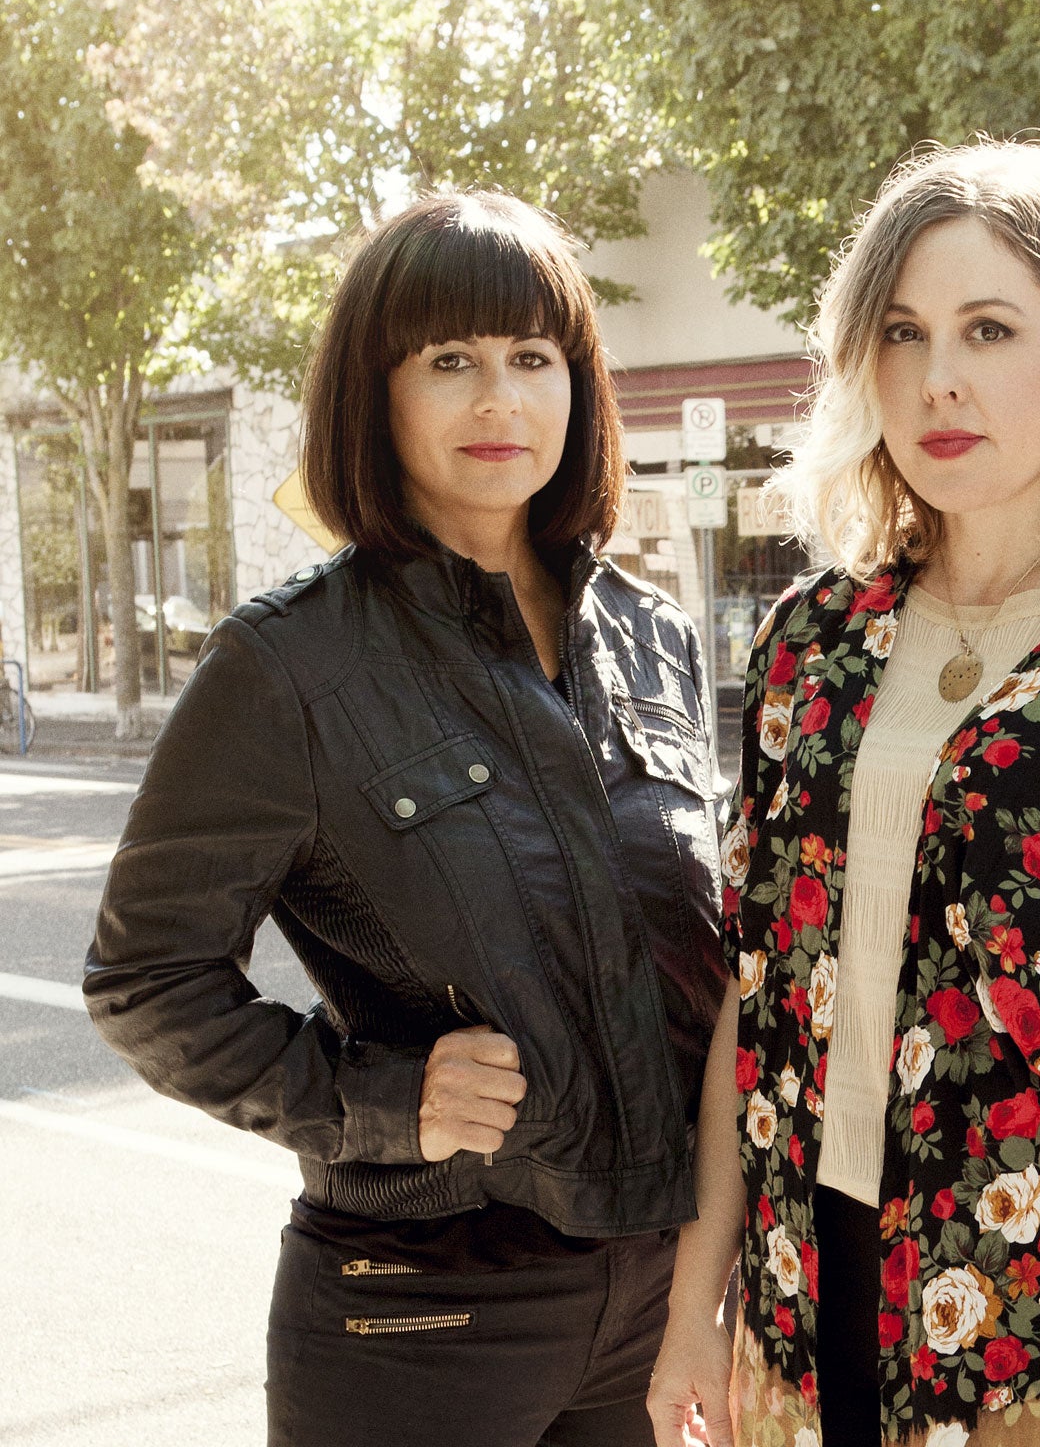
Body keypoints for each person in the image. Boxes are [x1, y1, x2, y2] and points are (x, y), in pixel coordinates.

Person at [646, 141, 1040, 1447]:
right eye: (902, 333)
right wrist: (691, 1307)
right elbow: (751, 991)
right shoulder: (810, 640)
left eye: (989, 330)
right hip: (795, 1280)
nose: (938, 379)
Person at [85, 192, 726, 1447]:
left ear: (580, 388)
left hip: (664, 1306)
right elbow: (143, 977)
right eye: (450, 362)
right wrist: (382, 1102)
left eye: (532, 359)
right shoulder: (289, 665)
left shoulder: (656, 640)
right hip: (417, 1316)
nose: (500, 401)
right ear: (374, 396)